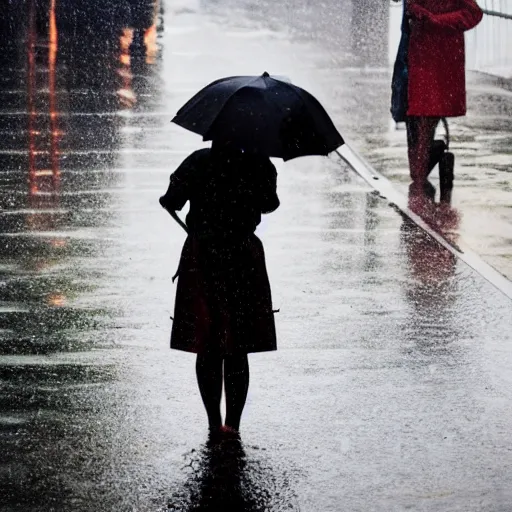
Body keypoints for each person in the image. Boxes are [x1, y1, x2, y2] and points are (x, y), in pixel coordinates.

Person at [159, 140, 280, 436]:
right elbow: (270, 203)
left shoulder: (197, 161)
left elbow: (172, 199)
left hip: (203, 257)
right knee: (238, 346)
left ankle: (214, 422)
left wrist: (173, 199)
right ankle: (233, 425)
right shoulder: (258, 163)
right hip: (243, 256)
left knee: (208, 343)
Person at [391, 0, 483, 196]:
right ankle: (422, 167)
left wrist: (435, 21)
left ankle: (421, 170)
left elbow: (473, 13)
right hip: (422, 54)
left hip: (433, 57)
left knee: (423, 114)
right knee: (420, 113)